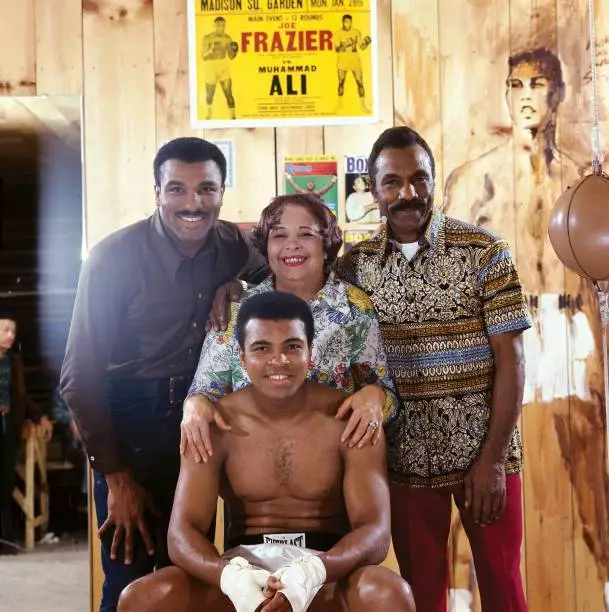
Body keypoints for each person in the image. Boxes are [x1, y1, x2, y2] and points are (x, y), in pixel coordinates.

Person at [60, 137, 269, 611]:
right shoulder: (112, 259)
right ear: (156, 192)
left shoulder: (231, 243)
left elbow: (280, 274)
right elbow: (79, 377)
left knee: (190, 576)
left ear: (221, 191)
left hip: (202, 424)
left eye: (206, 190)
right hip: (129, 424)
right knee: (130, 580)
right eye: (177, 189)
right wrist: (116, 479)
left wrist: (236, 284)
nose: (193, 204)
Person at [117, 291, 415, 612]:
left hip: (326, 572)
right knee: (140, 599)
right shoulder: (213, 423)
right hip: (243, 571)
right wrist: (233, 578)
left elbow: (374, 532)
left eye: (292, 346)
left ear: (310, 354)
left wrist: (312, 572)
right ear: (242, 357)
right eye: (262, 348)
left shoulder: (351, 418)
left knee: (388, 594)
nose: (279, 361)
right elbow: (181, 534)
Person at [338, 126, 532, 612]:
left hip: (486, 459)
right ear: (374, 188)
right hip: (404, 462)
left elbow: (512, 358)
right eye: (392, 182)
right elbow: (288, 270)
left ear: (434, 180)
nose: (408, 193)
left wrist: (491, 461)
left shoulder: (485, 251)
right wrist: (228, 290)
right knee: (423, 597)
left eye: (419, 178)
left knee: (504, 590)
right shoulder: (354, 265)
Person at [180, 192, 398, 467]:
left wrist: (376, 397)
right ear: (267, 246)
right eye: (279, 235)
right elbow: (203, 392)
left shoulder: (354, 308)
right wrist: (194, 405)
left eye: (305, 234)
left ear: (326, 244)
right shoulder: (237, 311)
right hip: (251, 476)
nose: (292, 245)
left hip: (332, 476)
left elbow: (387, 397)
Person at [0, 313, 53, 555]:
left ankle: (5, 538)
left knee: (6, 480)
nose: (11, 335)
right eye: (5, 330)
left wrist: (39, 416)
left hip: (8, 428)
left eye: (13, 330)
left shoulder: (13, 362)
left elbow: (21, 396)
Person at [201, 16, 238, 120]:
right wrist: (210, 51)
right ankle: (209, 114)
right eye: (218, 25)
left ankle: (233, 117)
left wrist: (234, 51)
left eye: (223, 25)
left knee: (228, 92)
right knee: (209, 93)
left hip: (223, 66)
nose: (221, 28)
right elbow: (203, 56)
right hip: (210, 66)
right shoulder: (207, 38)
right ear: (214, 26)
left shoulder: (227, 38)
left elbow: (231, 57)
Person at [333, 14, 372, 113]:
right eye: (346, 22)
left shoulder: (356, 32)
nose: (348, 24)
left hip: (355, 60)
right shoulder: (338, 33)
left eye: (350, 22)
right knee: (341, 82)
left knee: (360, 83)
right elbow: (337, 50)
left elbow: (361, 47)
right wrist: (346, 44)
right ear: (343, 22)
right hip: (343, 60)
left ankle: (363, 106)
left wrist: (366, 43)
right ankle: (339, 104)